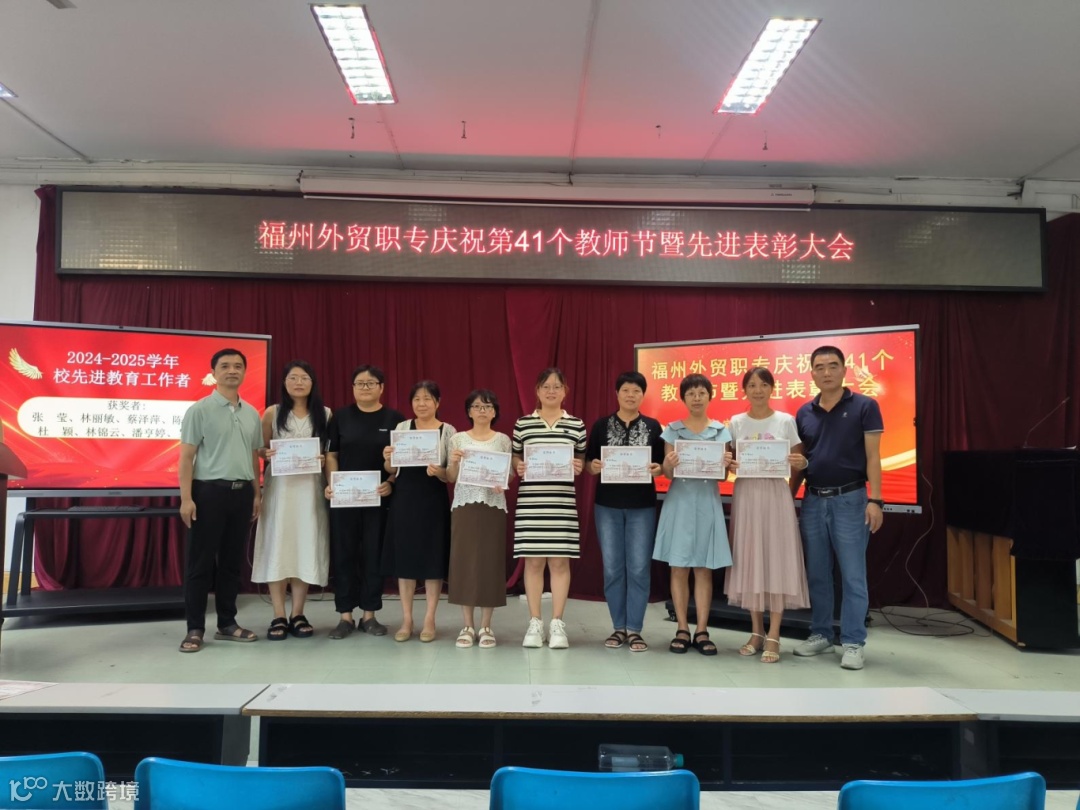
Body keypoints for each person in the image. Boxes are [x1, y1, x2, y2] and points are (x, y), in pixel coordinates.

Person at [790, 345, 884, 671]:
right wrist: (789, 497)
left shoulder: (865, 406)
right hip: (813, 500)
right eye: (819, 367)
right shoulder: (804, 412)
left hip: (851, 500)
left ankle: (854, 642)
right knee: (817, 573)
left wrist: (876, 500)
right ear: (811, 373)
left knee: (853, 575)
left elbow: (873, 456)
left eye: (832, 365)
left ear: (844, 369)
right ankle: (821, 633)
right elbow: (801, 462)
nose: (826, 372)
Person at [177, 348, 263, 653]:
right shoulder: (199, 410)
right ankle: (195, 628)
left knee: (231, 563)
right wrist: (186, 499)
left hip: (242, 495)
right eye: (225, 366)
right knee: (200, 564)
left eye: (238, 366)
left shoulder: (251, 413)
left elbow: (253, 456)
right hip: (208, 493)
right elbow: (186, 458)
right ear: (213, 373)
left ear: (244, 372)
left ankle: (227, 623)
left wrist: (257, 493)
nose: (232, 370)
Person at [723, 367, 810, 663]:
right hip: (746, 494)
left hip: (776, 494)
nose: (757, 390)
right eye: (751, 385)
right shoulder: (736, 422)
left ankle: (774, 633)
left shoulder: (785, 421)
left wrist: (793, 482)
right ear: (744, 390)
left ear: (772, 388)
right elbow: (729, 460)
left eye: (763, 385)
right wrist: (730, 464)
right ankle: (756, 630)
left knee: (776, 558)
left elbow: (798, 460)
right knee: (751, 558)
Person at [324, 365, 405, 640]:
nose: (365, 387)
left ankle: (369, 614)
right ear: (353, 388)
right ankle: (345, 615)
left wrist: (391, 482)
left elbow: (402, 459)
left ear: (382, 387)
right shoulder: (340, 417)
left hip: (379, 498)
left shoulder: (394, 419)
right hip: (344, 498)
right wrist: (332, 483)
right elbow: (332, 454)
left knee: (373, 554)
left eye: (371, 383)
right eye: (360, 383)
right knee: (344, 553)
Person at [585, 371, 664, 653]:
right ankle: (619, 627)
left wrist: (659, 469)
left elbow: (662, 466)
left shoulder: (653, 427)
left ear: (643, 395)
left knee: (640, 568)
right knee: (613, 568)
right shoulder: (601, 425)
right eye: (626, 390)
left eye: (636, 391)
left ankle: (635, 629)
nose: (631, 395)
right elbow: (588, 463)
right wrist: (593, 467)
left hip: (642, 506)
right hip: (607, 506)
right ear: (617, 394)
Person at [653, 373, 731, 656]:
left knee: (703, 568)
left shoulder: (721, 431)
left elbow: (722, 476)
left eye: (701, 393)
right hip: (680, 502)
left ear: (710, 396)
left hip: (707, 502)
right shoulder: (672, 431)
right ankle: (682, 628)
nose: (696, 398)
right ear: (683, 398)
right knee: (678, 566)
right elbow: (668, 474)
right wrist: (668, 463)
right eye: (691, 393)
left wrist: (725, 464)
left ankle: (702, 630)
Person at [252, 361, 332, 641]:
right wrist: (265, 454)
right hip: (280, 491)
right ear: (284, 383)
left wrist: (322, 459)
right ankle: (278, 614)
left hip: (310, 490)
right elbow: (258, 448)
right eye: (293, 378)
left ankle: (298, 613)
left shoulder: (325, 413)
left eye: (304, 378)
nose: (299, 382)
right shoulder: (272, 413)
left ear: (313, 383)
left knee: (303, 546)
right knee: (278, 546)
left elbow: (330, 453)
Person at [512, 368, 587, 649]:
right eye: (546, 386)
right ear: (537, 391)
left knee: (559, 562)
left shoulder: (576, 425)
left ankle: (557, 623)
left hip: (561, 503)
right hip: (532, 503)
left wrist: (578, 466)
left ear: (565, 391)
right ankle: (535, 622)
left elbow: (581, 459)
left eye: (557, 386)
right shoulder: (523, 424)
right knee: (533, 562)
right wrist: (518, 466)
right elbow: (515, 457)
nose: (551, 391)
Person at [382, 380, 455, 643]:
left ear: (437, 402)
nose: (421, 404)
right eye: (416, 399)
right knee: (405, 560)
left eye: (427, 399)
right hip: (405, 499)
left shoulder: (448, 431)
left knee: (433, 560)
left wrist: (440, 471)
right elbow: (392, 470)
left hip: (433, 499)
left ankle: (429, 619)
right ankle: (407, 619)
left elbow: (451, 475)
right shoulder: (402, 428)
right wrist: (388, 458)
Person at [445, 389, 514, 648]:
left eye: (487, 406)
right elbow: (451, 477)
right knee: (464, 562)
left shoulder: (503, 440)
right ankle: (467, 625)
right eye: (477, 406)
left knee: (490, 563)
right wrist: (453, 462)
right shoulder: (458, 439)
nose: (482, 410)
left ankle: (486, 625)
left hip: (493, 506)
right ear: (469, 411)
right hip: (464, 505)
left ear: (494, 412)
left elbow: (509, 475)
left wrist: (502, 482)